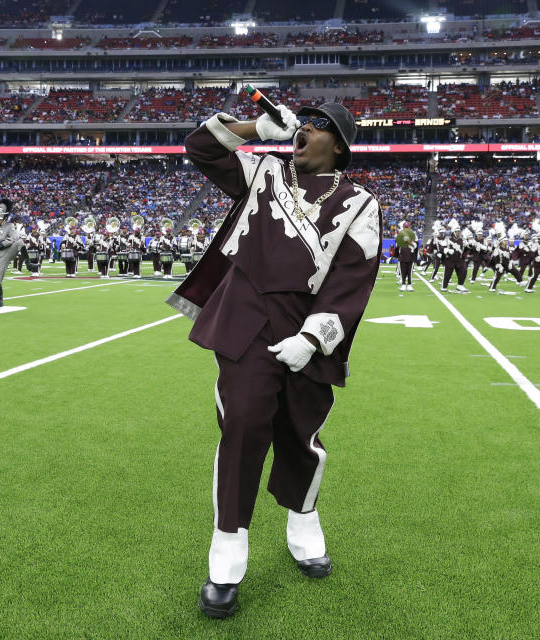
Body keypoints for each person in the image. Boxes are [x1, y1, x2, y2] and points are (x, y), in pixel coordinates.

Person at [166, 102, 381, 619]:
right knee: (242, 423)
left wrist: (314, 337)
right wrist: (254, 129)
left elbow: (354, 276)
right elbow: (199, 148)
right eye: (301, 124)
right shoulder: (262, 170)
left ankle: (302, 517)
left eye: (319, 126)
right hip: (245, 318)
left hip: (305, 326)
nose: (304, 130)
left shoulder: (359, 202)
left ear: (340, 145)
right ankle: (228, 546)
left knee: (299, 432)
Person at [0, 198, 23, 308]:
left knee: (20, 242)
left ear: (4, 218)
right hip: (0, 255)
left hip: (9, 250)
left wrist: (4, 243)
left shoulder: (10, 226)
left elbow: (15, 238)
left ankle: (28, 263)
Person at [396, 222, 416, 291]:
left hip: (410, 256)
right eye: (405, 227)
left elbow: (415, 245)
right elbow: (397, 246)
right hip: (402, 256)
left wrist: (409, 241)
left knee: (410, 272)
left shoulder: (413, 235)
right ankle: (403, 284)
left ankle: (409, 285)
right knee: (403, 272)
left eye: (407, 227)